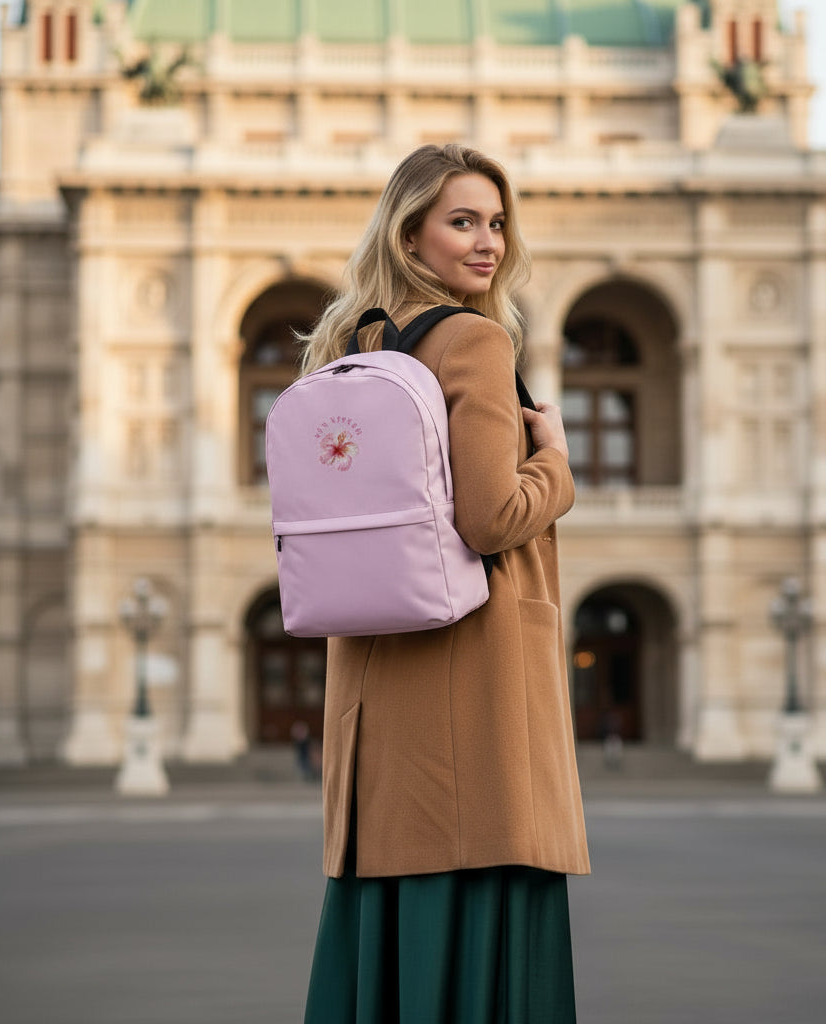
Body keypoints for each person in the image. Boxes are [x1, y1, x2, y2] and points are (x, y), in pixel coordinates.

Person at [299, 144, 590, 1023]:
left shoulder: (347, 344)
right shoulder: (475, 338)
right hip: (476, 692)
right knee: (487, 938)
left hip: (377, 696)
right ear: (410, 232)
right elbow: (492, 519)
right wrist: (558, 467)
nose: (489, 242)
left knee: (391, 941)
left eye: (497, 223)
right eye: (462, 221)